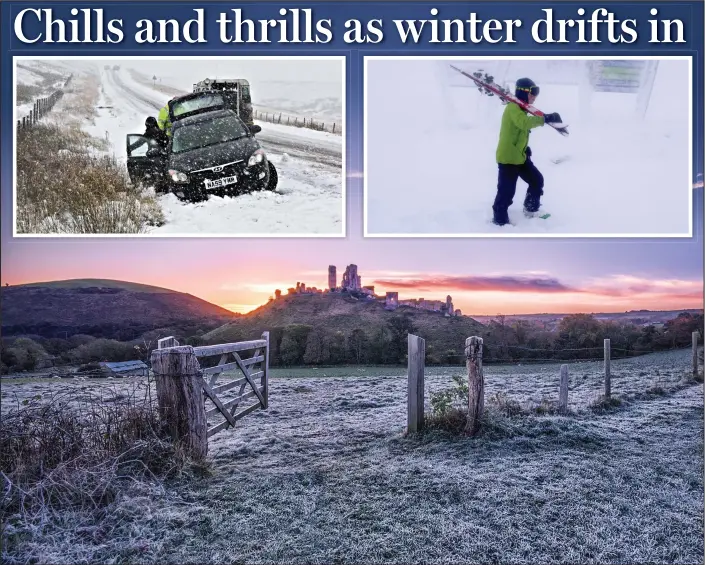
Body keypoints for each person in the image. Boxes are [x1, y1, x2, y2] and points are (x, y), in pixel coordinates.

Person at [492, 77, 562, 226]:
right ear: (523, 92)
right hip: (508, 158)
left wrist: (525, 147)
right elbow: (523, 124)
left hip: (520, 156)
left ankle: (531, 209)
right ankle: (499, 220)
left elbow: (518, 131)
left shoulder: (521, 109)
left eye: (537, 92)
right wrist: (545, 119)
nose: (535, 96)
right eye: (533, 92)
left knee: (537, 180)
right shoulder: (513, 107)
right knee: (506, 193)